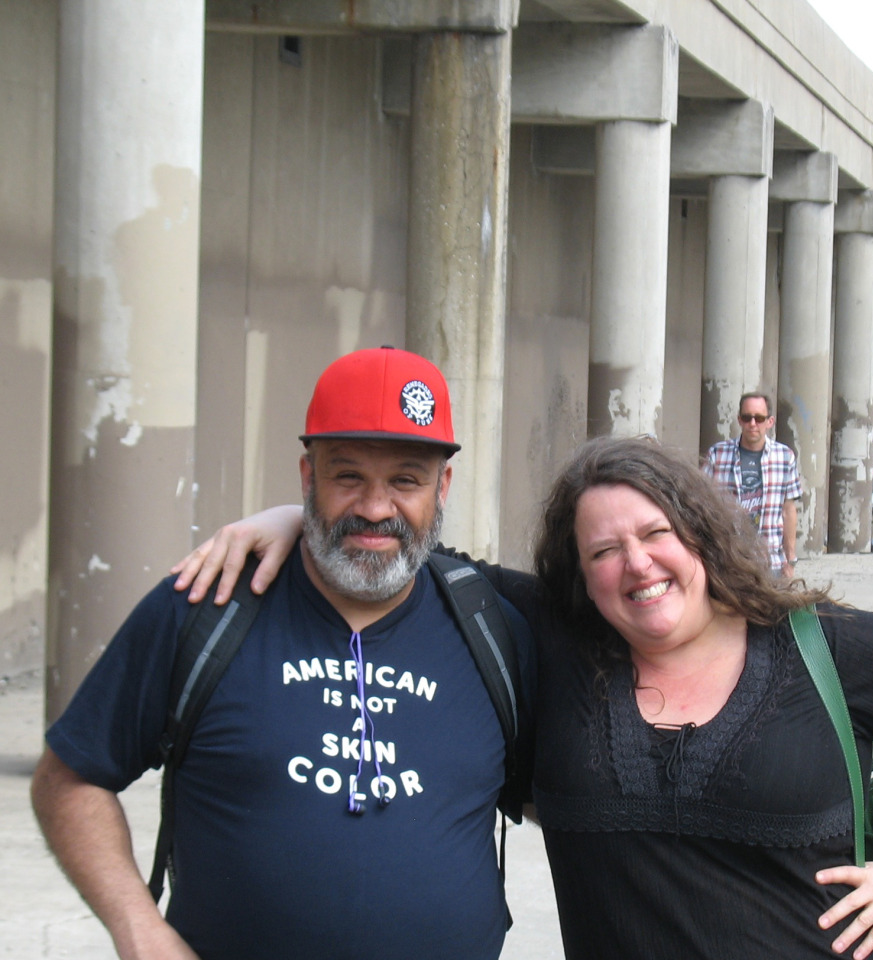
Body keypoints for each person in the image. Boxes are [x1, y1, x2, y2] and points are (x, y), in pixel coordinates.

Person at [177, 436, 873, 960]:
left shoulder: (818, 647)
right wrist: (294, 519)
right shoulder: (558, 638)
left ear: (702, 536)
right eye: (604, 552)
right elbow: (416, 554)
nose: (638, 565)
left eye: (657, 533)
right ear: (579, 576)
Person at [30, 347, 535, 960]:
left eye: (405, 480)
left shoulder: (492, 630)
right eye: (347, 476)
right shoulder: (206, 606)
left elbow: (567, 797)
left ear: (442, 487)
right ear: (307, 477)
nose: (375, 508)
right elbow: (70, 779)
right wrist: (140, 930)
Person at [703, 392, 802, 576]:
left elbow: (788, 511)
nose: (753, 424)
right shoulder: (717, 454)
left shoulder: (784, 457)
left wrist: (790, 560)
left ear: (770, 421)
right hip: (728, 560)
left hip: (771, 562)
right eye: (747, 418)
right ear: (739, 420)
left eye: (759, 418)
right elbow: (702, 504)